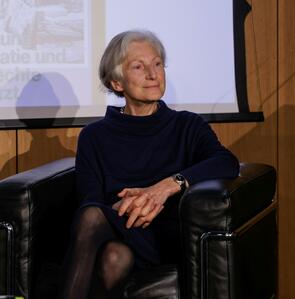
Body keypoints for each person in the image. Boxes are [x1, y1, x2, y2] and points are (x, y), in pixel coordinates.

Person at [60, 30, 239, 298]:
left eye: (157, 64)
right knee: (109, 249)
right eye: (138, 67)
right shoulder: (94, 136)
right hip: (118, 229)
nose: (153, 74)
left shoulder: (187, 125)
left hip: (166, 235)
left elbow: (226, 162)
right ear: (117, 83)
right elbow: (90, 200)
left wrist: (166, 187)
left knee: (106, 241)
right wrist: (130, 205)